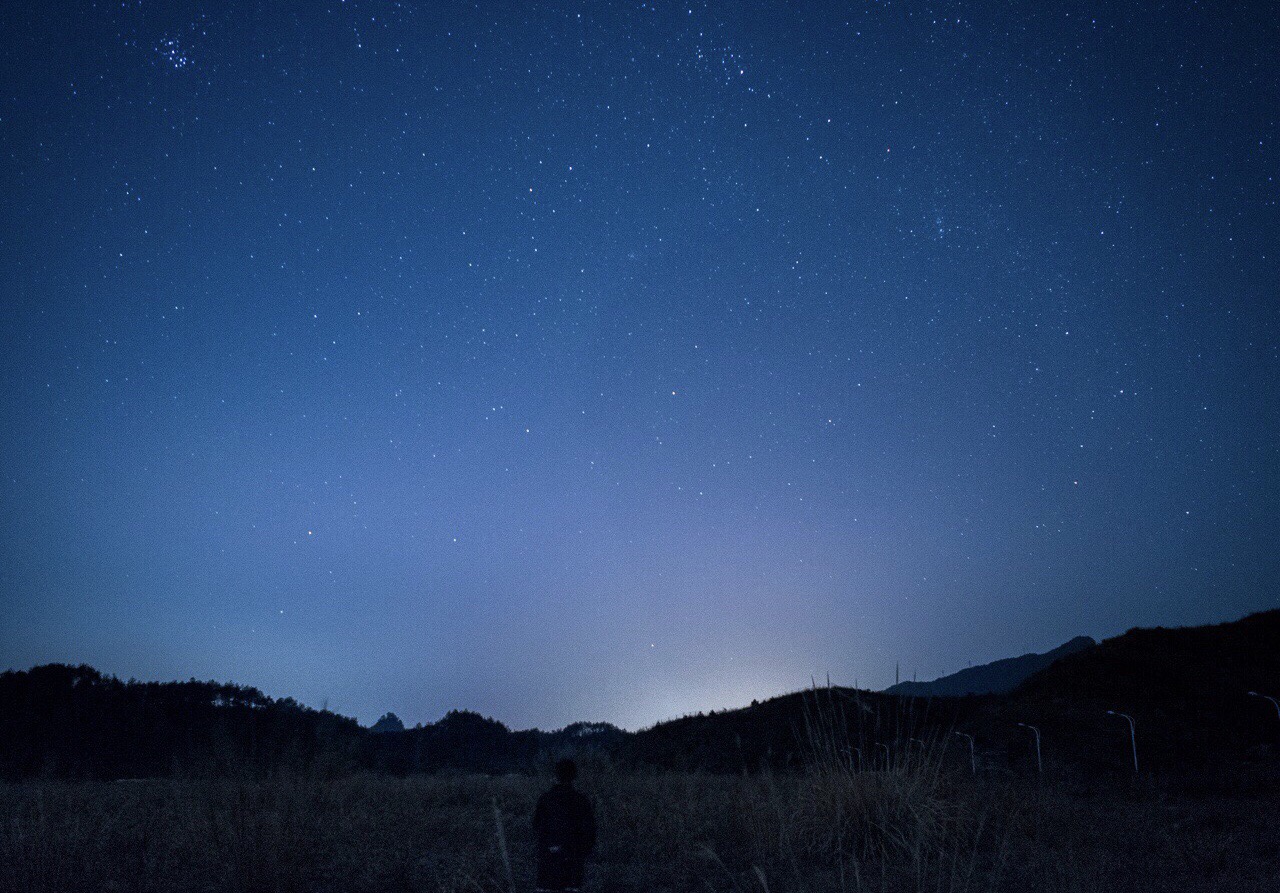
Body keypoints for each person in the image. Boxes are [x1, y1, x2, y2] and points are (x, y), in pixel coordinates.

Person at [532, 758, 596, 892]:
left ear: (556, 776)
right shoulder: (581, 800)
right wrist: (582, 851)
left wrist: (546, 848)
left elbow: (537, 826)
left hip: (548, 858)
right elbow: (589, 830)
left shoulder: (545, 799)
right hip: (572, 859)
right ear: (574, 776)